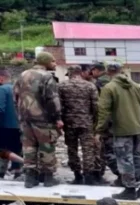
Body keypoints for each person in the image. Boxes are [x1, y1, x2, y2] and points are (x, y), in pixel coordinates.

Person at [95, 63, 140, 200]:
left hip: (122, 129)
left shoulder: (109, 88)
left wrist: (99, 130)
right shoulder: (136, 86)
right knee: (136, 157)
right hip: (137, 127)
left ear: (108, 72)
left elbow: (104, 111)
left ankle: (130, 189)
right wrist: (139, 122)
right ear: (121, 71)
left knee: (125, 160)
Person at [14, 52, 62, 188]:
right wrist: (57, 117)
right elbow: (52, 99)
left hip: (25, 118)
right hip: (43, 119)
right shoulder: (47, 77)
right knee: (47, 147)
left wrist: (20, 114)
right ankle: (48, 178)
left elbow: (15, 96)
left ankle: (30, 178)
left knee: (28, 147)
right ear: (45, 62)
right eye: (53, 61)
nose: (55, 64)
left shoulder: (22, 75)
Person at [59, 65, 100, 185]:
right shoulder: (90, 86)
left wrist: (60, 120)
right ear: (80, 72)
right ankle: (89, 176)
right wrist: (95, 121)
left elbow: (59, 106)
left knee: (72, 149)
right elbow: (96, 106)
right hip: (86, 122)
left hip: (69, 123)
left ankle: (77, 175)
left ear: (69, 73)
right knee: (88, 150)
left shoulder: (62, 86)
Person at [94, 63, 120, 180]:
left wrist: (99, 128)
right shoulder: (125, 83)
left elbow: (102, 106)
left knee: (106, 150)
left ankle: (120, 175)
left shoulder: (100, 82)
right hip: (121, 121)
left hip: (107, 122)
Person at [0, 69, 21, 179]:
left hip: (5, 126)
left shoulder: (2, 89)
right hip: (18, 125)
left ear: (1, 78)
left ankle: (1, 172)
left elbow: (0, 109)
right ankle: (17, 170)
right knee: (16, 148)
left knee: (3, 149)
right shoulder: (16, 89)